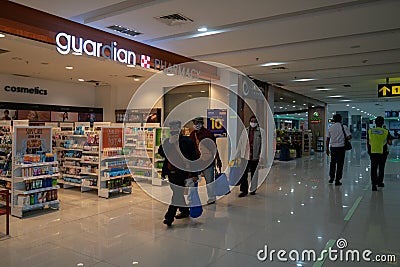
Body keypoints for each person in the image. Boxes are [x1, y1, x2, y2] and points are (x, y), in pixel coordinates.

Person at [158, 120, 198, 227]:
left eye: (176, 128)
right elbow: (161, 153)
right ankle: (185, 211)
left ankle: (169, 217)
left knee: (177, 194)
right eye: (172, 128)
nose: (173, 130)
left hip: (182, 172)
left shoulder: (187, 141)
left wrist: (195, 174)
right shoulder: (167, 141)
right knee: (178, 193)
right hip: (171, 172)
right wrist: (168, 144)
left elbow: (193, 158)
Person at [189, 117, 222, 205]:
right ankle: (191, 198)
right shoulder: (192, 134)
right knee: (192, 180)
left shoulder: (208, 133)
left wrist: (218, 159)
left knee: (209, 181)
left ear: (201, 123)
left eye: (197, 123)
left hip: (208, 161)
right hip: (196, 161)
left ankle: (211, 198)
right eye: (194, 123)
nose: (196, 125)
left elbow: (214, 147)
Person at [236, 115, 266, 197]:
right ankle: (244, 190)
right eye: (252, 121)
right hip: (245, 156)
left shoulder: (261, 132)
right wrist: (237, 154)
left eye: (255, 121)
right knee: (243, 174)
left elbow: (263, 144)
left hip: (255, 157)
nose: (253, 122)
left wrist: (262, 156)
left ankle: (253, 189)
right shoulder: (245, 130)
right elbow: (240, 143)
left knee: (254, 174)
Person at [367, 116, 392, 191]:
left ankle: (373, 185)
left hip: (373, 151)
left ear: (375, 122)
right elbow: (390, 142)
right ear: (383, 123)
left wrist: (369, 150)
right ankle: (380, 182)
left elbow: (368, 142)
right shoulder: (386, 131)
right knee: (381, 168)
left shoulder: (370, 131)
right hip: (383, 152)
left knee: (373, 168)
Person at [326, 114, 352, 185]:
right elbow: (349, 137)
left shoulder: (330, 128)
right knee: (340, 164)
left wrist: (327, 149)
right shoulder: (344, 127)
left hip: (333, 147)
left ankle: (331, 178)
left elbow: (327, 139)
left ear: (334, 120)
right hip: (341, 148)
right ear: (341, 119)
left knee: (332, 163)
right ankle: (337, 180)